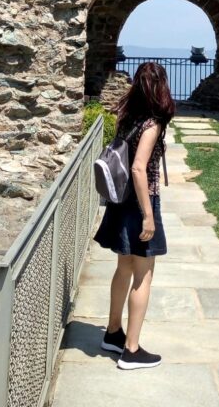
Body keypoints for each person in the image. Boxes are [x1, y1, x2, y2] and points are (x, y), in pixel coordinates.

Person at [93, 60, 175, 370]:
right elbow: (139, 169)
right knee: (143, 275)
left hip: (119, 200)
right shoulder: (152, 123)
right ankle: (131, 349)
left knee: (123, 268)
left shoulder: (126, 116)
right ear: (160, 87)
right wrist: (148, 216)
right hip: (140, 202)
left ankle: (113, 333)